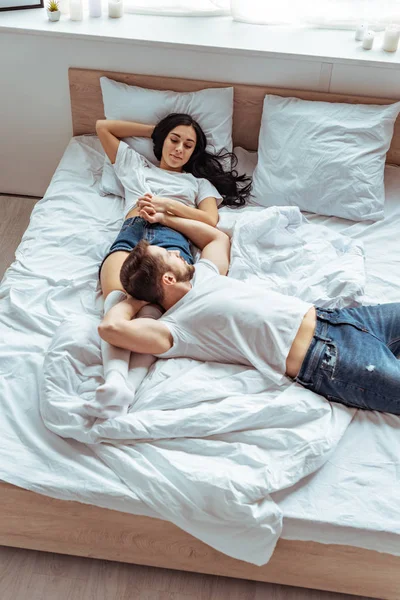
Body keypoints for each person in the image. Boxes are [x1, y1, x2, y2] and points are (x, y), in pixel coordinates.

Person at [99, 209, 400, 416]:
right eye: (168, 255)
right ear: (167, 279)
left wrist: (166, 217)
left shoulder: (203, 274)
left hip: (340, 319)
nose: (177, 252)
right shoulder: (175, 328)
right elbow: (110, 330)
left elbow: (218, 239)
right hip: (328, 360)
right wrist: (132, 300)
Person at [89, 114, 251, 418]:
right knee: (119, 300)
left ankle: (128, 386)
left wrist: (167, 207)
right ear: (163, 141)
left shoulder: (198, 183)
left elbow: (210, 220)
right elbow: (103, 127)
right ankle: (115, 380)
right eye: (174, 140)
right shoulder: (135, 166)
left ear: (194, 153)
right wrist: (156, 131)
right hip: (132, 231)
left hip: (171, 236)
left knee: (152, 311)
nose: (179, 149)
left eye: (188, 145)